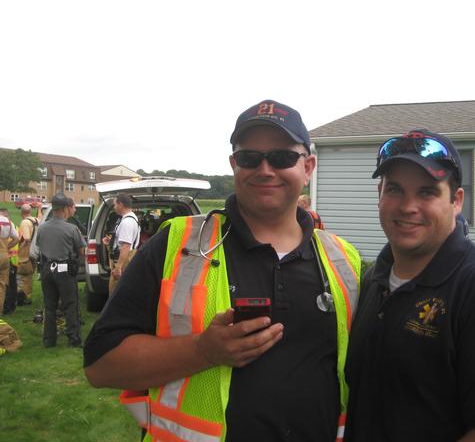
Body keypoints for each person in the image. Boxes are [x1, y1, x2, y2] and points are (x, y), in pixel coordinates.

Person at [83, 99, 361, 442]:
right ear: (234, 165)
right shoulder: (177, 244)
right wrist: (203, 351)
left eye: (282, 157)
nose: (264, 169)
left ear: (308, 167)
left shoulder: (344, 259)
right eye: (249, 158)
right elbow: (100, 365)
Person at [344, 129, 475, 442]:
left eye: (427, 192)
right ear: (379, 194)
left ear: (457, 200)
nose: (408, 206)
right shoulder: (374, 280)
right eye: (395, 189)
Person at [34, 193, 86, 348]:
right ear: (65, 209)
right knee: (70, 305)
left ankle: (49, 340)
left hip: (46, 269)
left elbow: (39, 247)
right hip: (64, 270)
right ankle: (73, 338)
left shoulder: (42, 228)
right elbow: (81, 250)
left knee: (49, 306)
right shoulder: (71, 228)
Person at [102, 194, 140, 296]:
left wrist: (118, 267)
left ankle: (115, 311)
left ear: (120, 204)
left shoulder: (127, 222)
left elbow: (126, 246)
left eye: (115, 204)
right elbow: (126, 242)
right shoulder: (130, 219)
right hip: (126, 258)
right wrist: (112, 240)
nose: (114, 207)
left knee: (116, 292)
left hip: (123, 261)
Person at [17, 203, 41, 305]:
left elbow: (26, 238)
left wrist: (19, 243)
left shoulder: (25, 222)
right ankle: (27, 296)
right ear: (30, 212)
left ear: (22, 212)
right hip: (35, 252)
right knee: (29, 276)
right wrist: (40, 208)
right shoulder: (37, 220)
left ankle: (21, 298)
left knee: (22, 276)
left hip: (25, 254)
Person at [0, 208, 19, 315]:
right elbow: (16, 238)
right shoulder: (8, 222)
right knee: (2, 286)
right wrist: (6, 247)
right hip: (4, 256)